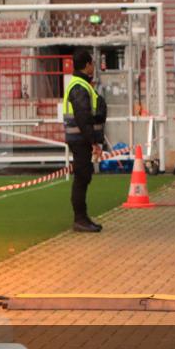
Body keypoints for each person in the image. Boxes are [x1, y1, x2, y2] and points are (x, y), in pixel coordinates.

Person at [63, 48, 106, 232]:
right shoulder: (80, 87)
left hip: (81, 138)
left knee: (84, 176)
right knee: (82, 177)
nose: (93, 67)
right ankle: (80, 219)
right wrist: (93, 142)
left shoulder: (80, 84)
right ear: (87, 64)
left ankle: (82, 218)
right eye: (92, 63)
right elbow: (83, 118)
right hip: (80, 139)